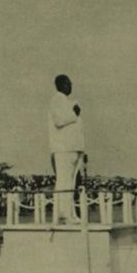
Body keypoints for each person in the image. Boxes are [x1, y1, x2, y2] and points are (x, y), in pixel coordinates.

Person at [48, 74, 85, 223]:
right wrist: (74, 114)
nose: (71, 86)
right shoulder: (56, 100)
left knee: (71, 183)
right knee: (64, 181)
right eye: (68, 83)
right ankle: (64, 214)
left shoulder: (66, 101)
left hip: (72, 148)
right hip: (63, 148)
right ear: (61, 84)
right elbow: (59, 121)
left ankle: (70, 213)